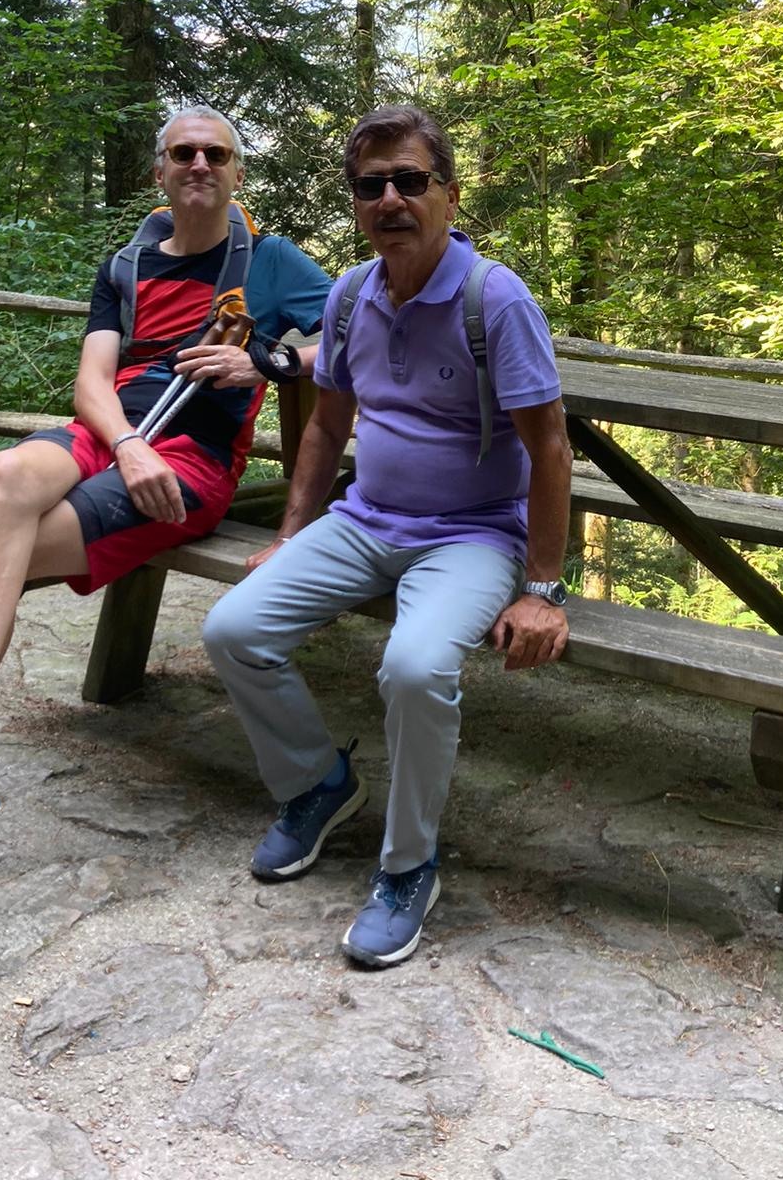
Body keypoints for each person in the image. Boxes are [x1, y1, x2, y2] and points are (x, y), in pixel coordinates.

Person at [0, 105, 332, 897]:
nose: (200, 164)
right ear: (160, 170)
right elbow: (92, 382)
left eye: (216, 153)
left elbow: (363, 338)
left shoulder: (270, 261)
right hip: (118, 434)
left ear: (237, 171)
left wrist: (271, 363)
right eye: (183, 153)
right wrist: (125, 444)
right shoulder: (128, 264)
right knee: (4, 478)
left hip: (192, 461)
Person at [203, 103, 573, 968]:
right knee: (234, 629)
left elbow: (550, 448)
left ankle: (407, 866)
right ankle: (318, 784)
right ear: (357, 202)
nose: (391, 200)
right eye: (372, 187)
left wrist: (543, 590)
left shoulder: (495, 299)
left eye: (411, 180)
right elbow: (327, 426)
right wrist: (292, 532)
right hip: (363, 519)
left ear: (449, 193)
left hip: (472, 535)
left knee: (413, 667)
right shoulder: (350, 295)